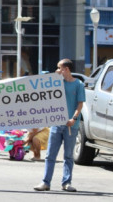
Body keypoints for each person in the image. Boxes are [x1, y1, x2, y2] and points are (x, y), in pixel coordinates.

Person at [34, 59, 85, 192]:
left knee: (68, 156)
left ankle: (66, 183)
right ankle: (45, 182)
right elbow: (46, 89)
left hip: (70, 126)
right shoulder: (57, 82)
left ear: (66, 69)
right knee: (50, 155)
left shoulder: (78, 84)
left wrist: (74, 118)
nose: (57, 70)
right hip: (56, 124)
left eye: (59, 68)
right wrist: (55, 76)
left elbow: (80, 104)